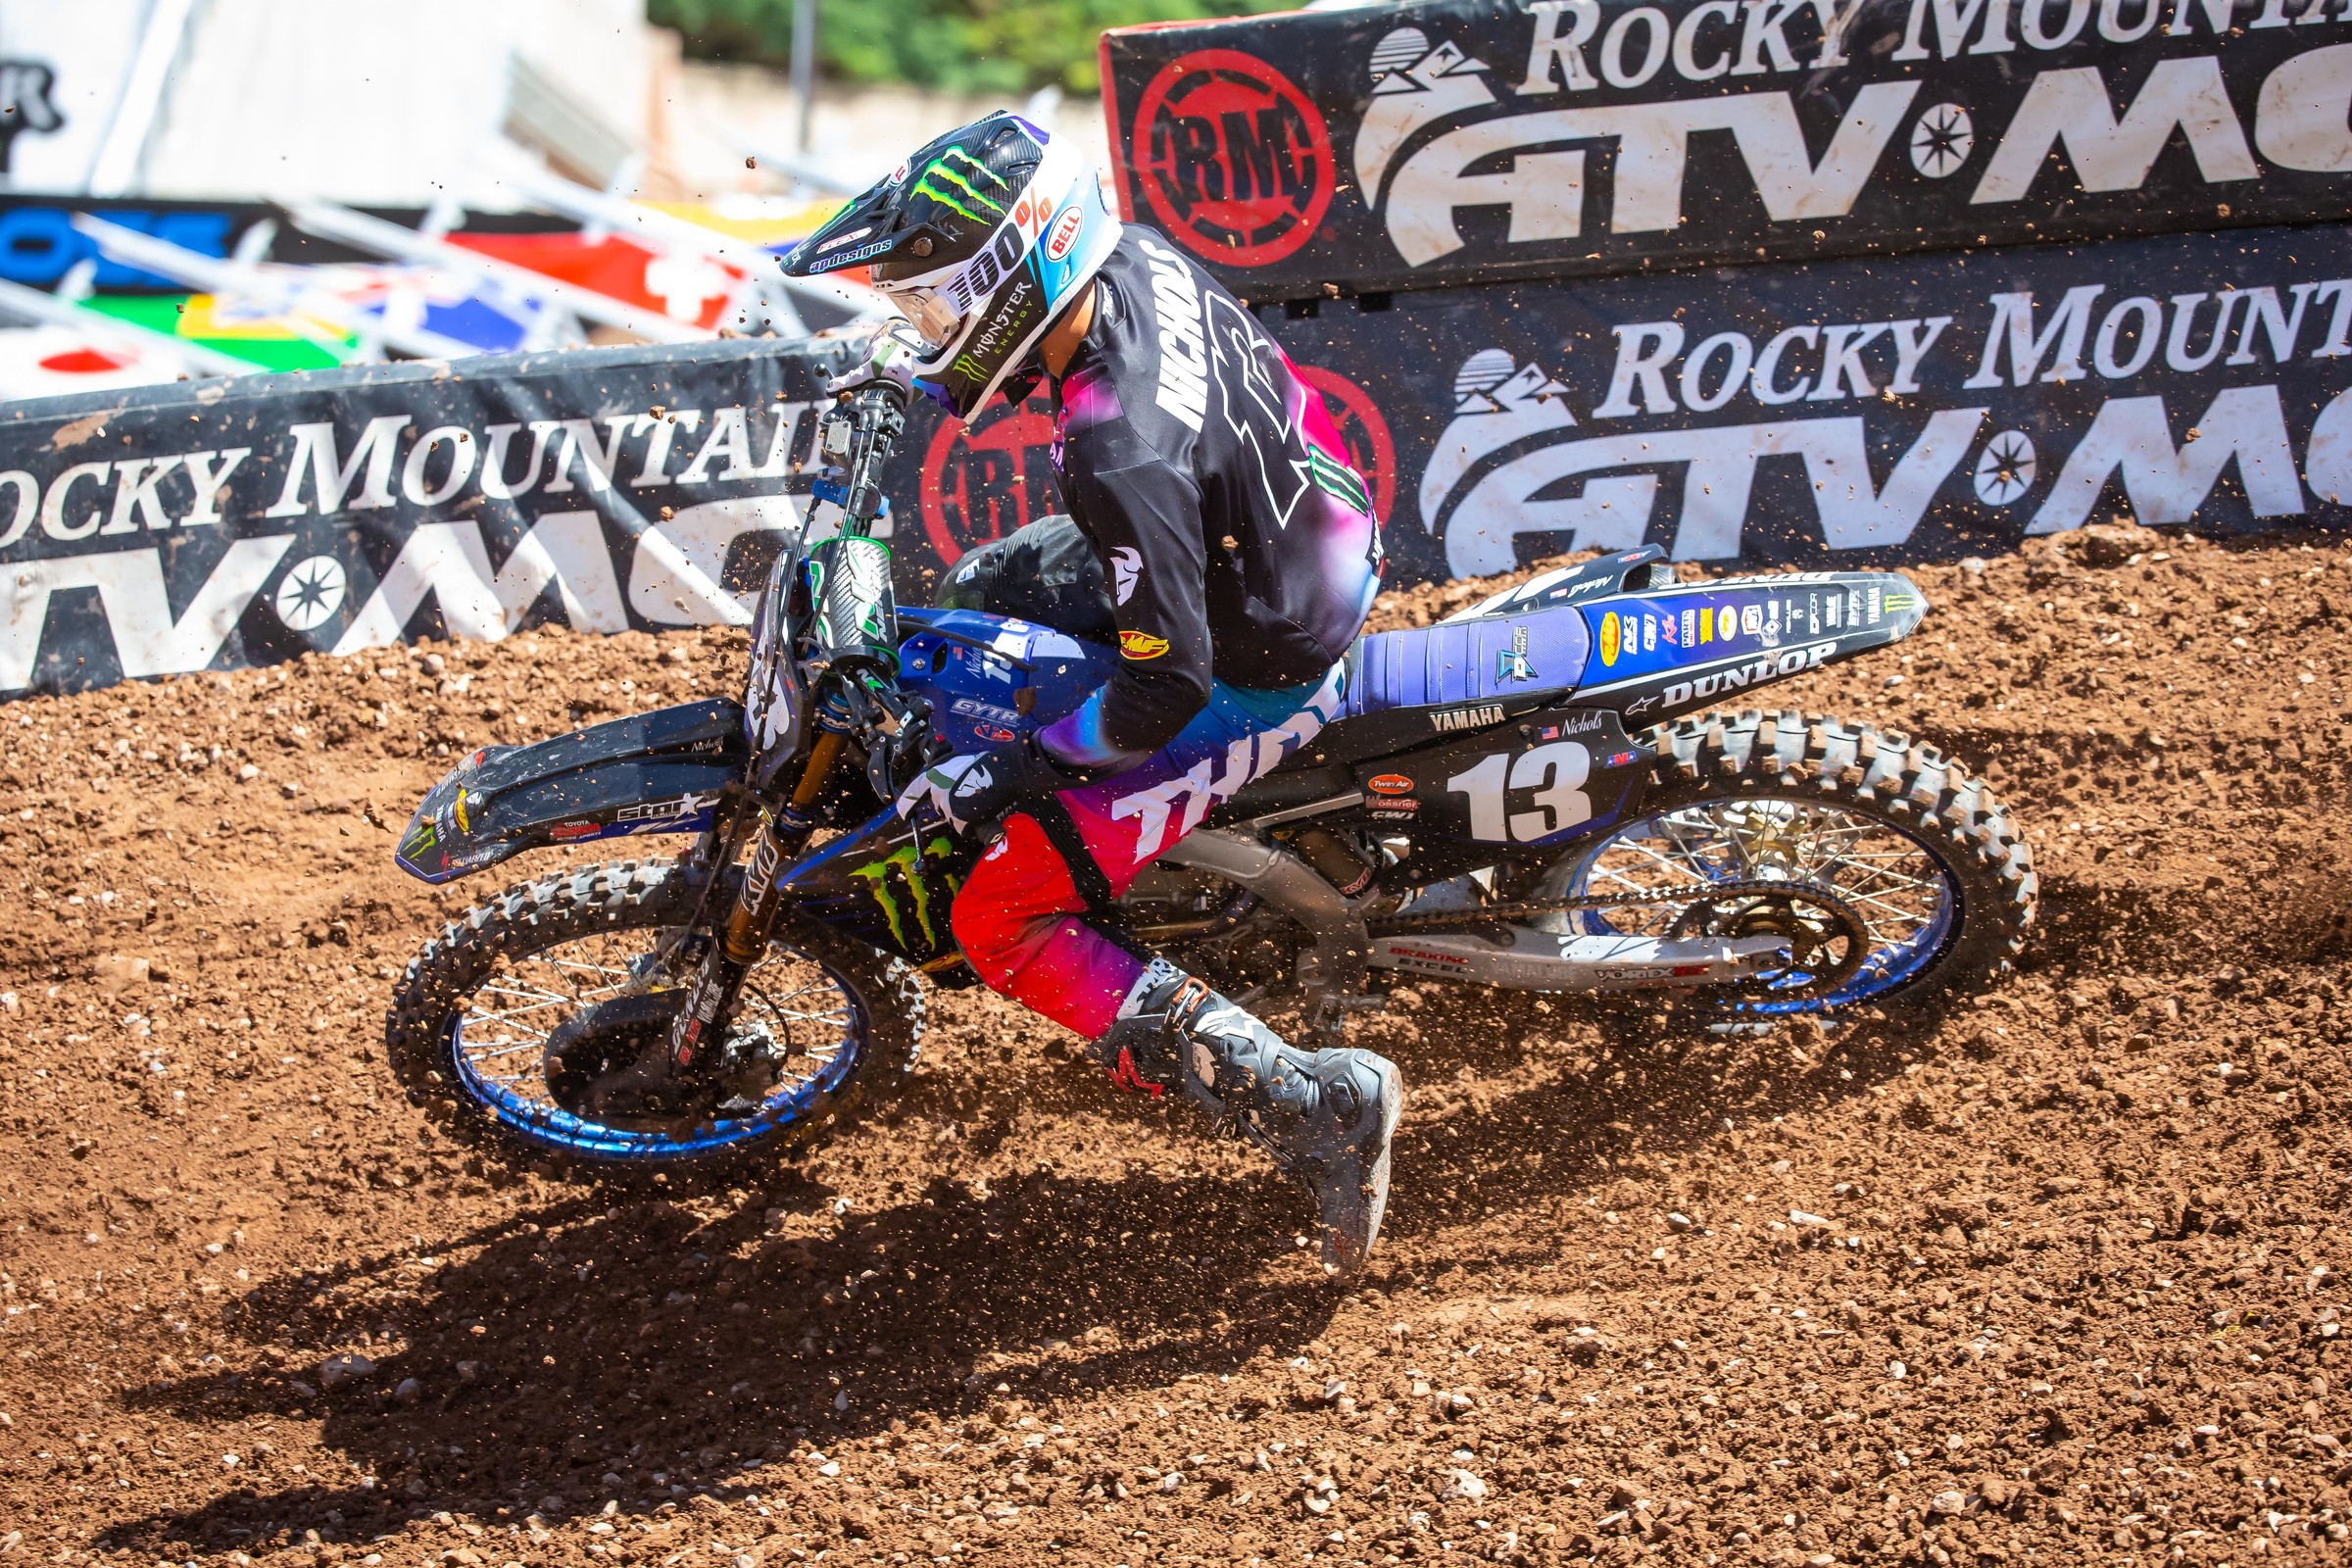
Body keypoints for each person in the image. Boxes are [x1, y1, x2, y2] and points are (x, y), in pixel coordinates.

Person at [779, 113, 1404, 1275]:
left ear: (1009, 282)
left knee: (996, 915)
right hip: (1277, 530)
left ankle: (1317, 1106)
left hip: (1259, 661)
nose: (929, 332)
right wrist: (895, 376)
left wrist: (1017, 768)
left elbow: (1166, 684)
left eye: (934, 308)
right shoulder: (1126, 260)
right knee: (981, 591)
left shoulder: (1117, 444)